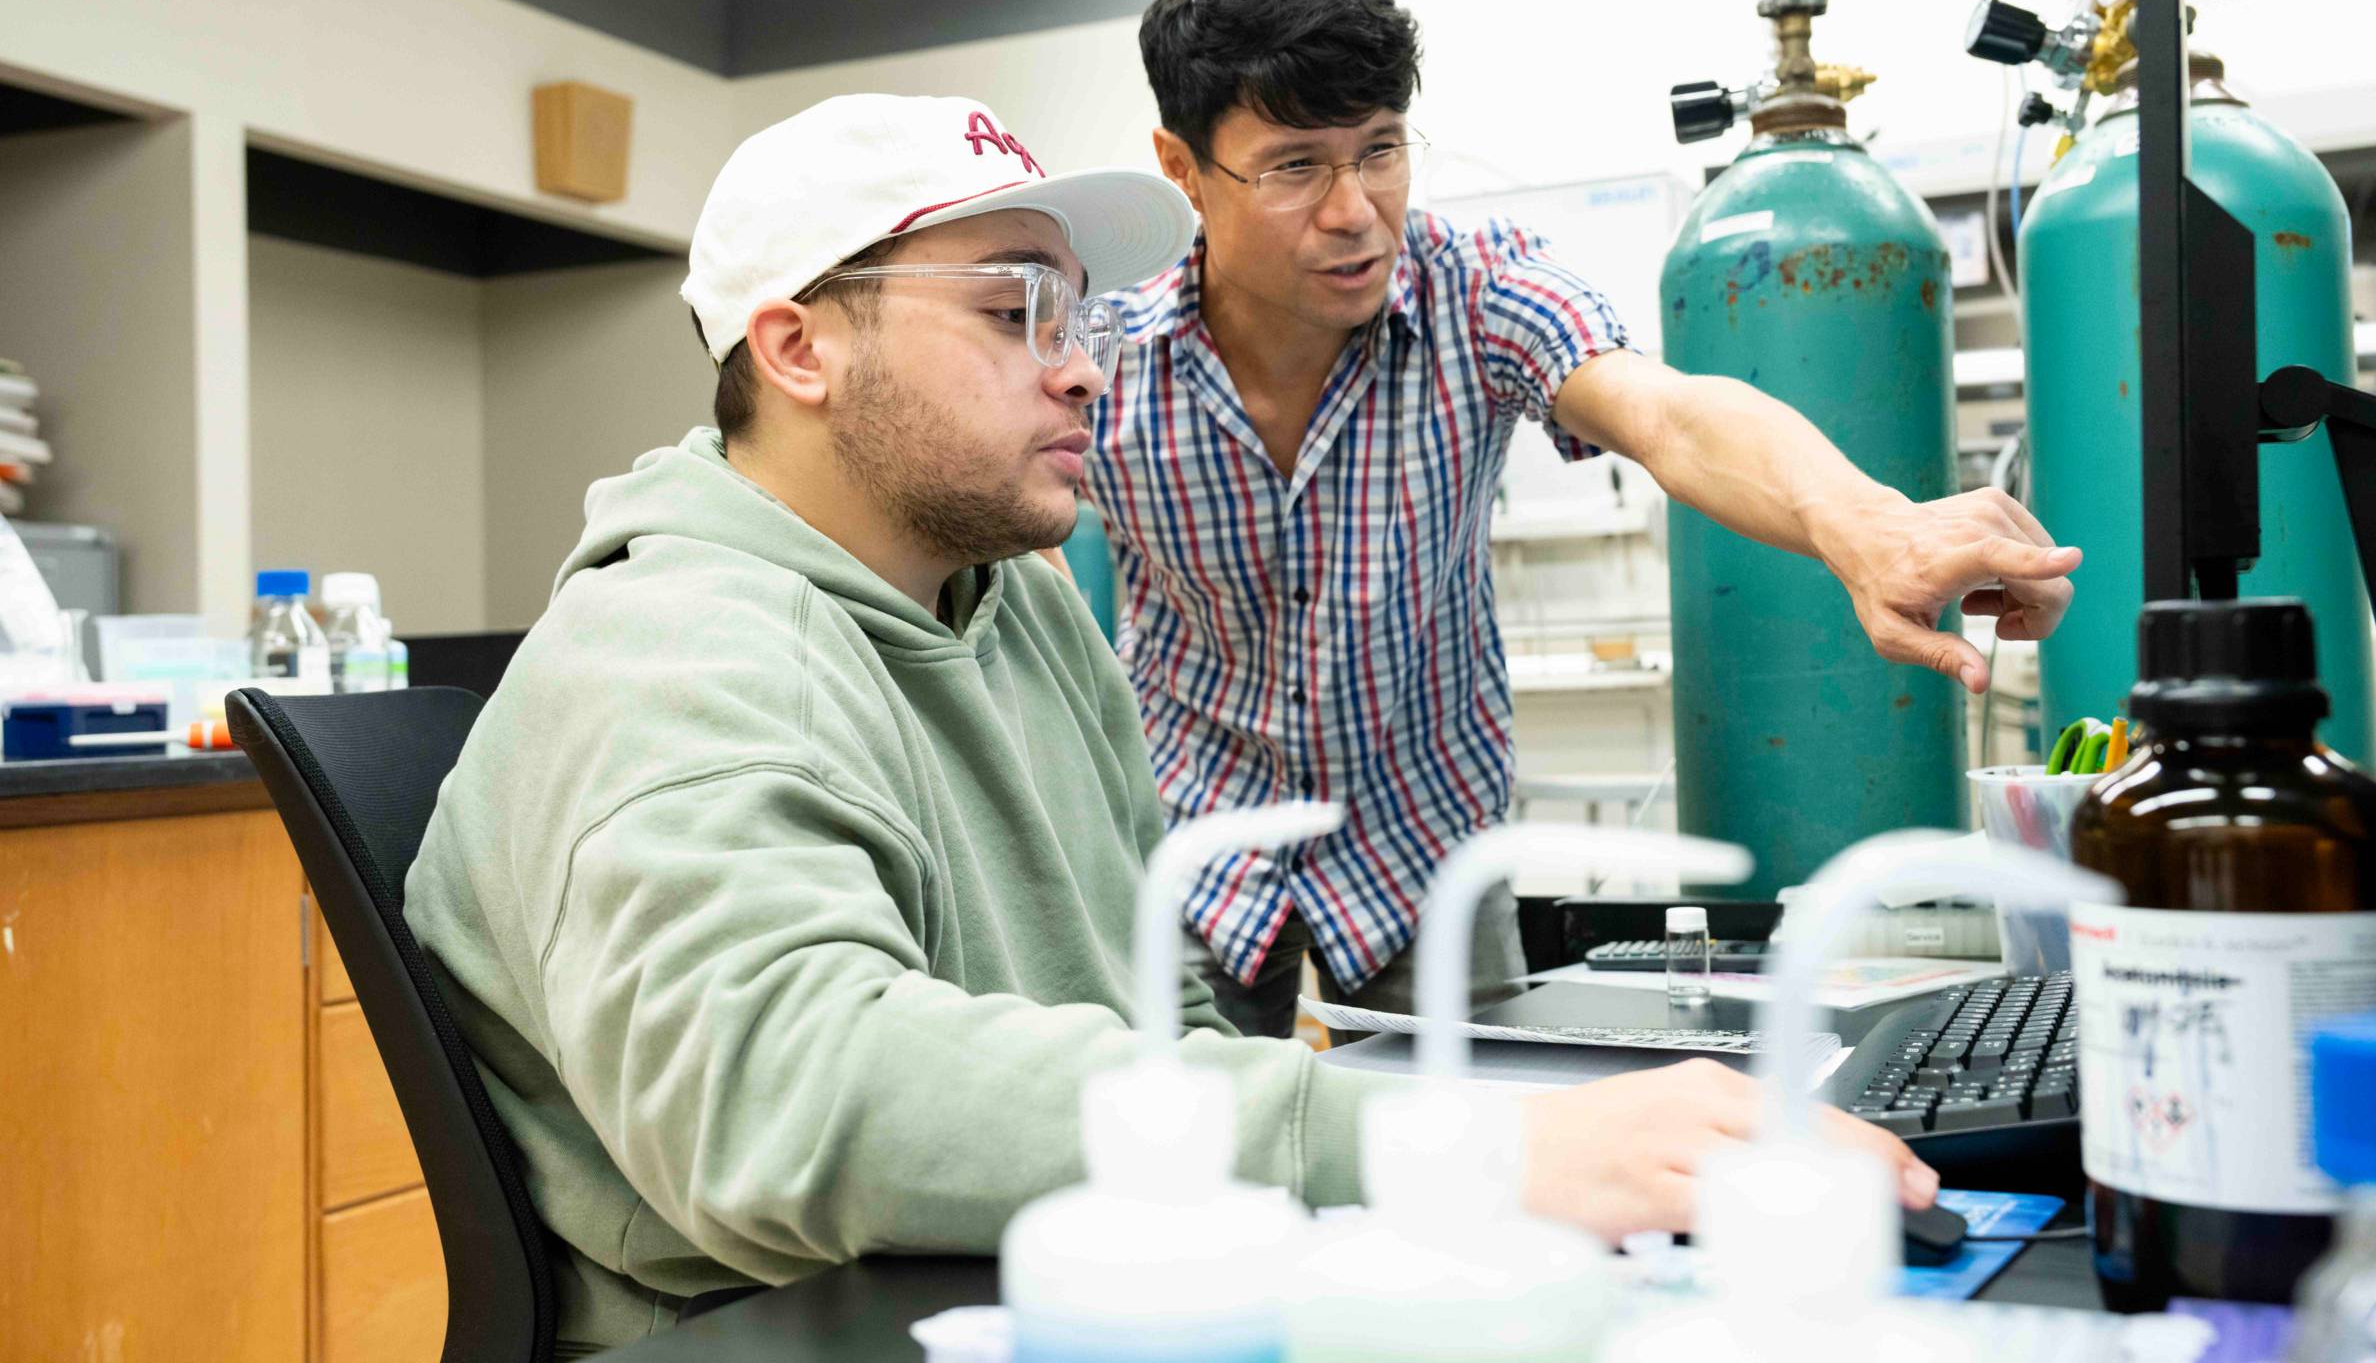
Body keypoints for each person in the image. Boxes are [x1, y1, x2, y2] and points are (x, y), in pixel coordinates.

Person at [402, 93, 1938, 1354]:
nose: (1080, 361)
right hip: (813, 1326)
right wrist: (1437, 1150)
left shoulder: (1009, 609)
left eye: (1072, 307)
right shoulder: (677, 653)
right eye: (1014, 308)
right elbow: (785, 1099)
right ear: (800, 348)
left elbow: (1171, 1018)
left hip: (1047, 1288)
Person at [1087, 0, 2082, 1036]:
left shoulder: (1476, 289)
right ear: (1182, 169)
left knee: (1476, 1154)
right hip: (1191, 842)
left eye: (1378, 150)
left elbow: (1667, 413)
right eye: (1294, 167)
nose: (1355, 210)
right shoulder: (1104, 359)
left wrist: (1868, 526)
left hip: (1424, 851)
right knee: (1178, 1151)